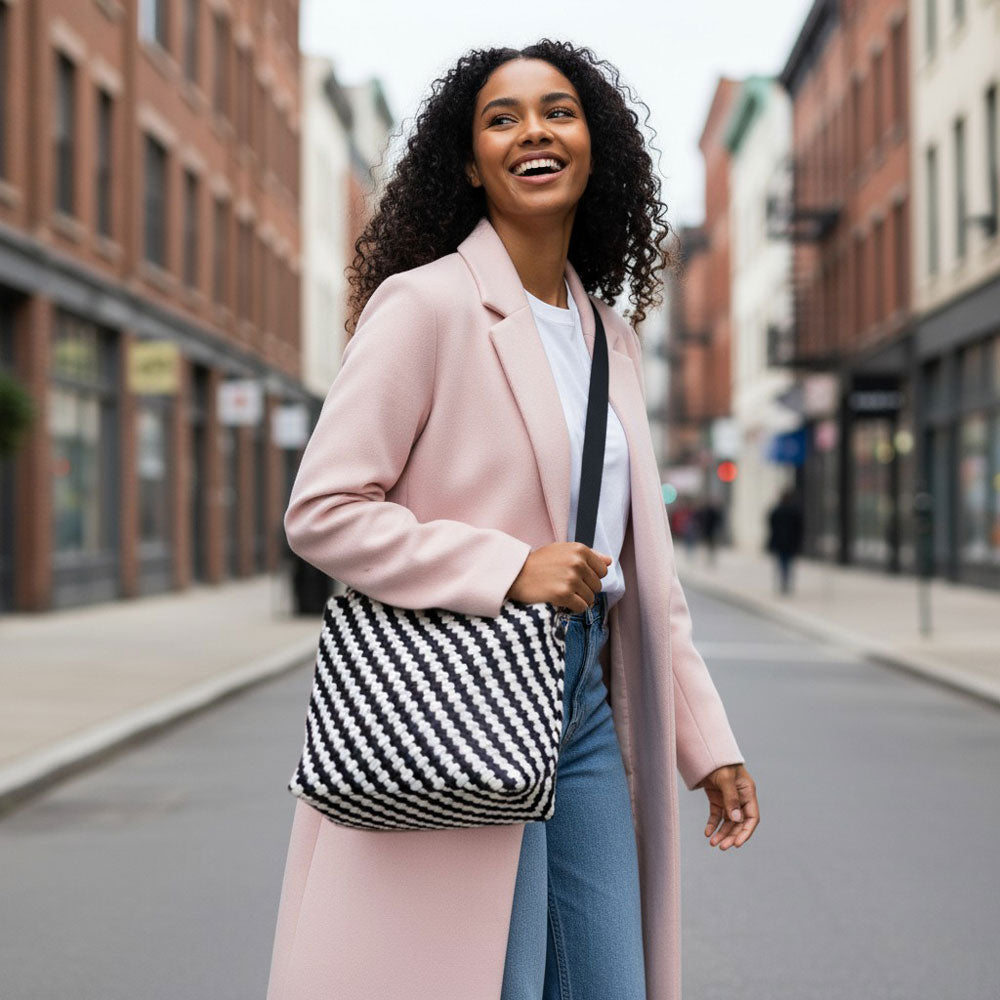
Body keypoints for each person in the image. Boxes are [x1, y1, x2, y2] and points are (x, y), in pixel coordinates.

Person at [266, 41, 759, 1000]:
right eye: (502, 117)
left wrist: (710, 742)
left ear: (594, 145)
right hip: (461, 693)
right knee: (484, 978)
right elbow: (322, 512)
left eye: (558, 110)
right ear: (469, 160)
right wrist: (505, 567)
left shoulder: (607, 336)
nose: (534, 130)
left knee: (607, 978)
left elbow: (642, 574)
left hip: (584, 702)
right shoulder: (426, 307)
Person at [767, 487, 805, 594]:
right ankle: (786, 582)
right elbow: (799, 527)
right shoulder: (794, 511)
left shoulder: (777, 510)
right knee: (788, 563)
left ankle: (783, 582)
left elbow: (771, 525)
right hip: (790, 542)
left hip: (780, 542)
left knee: (782, 562)